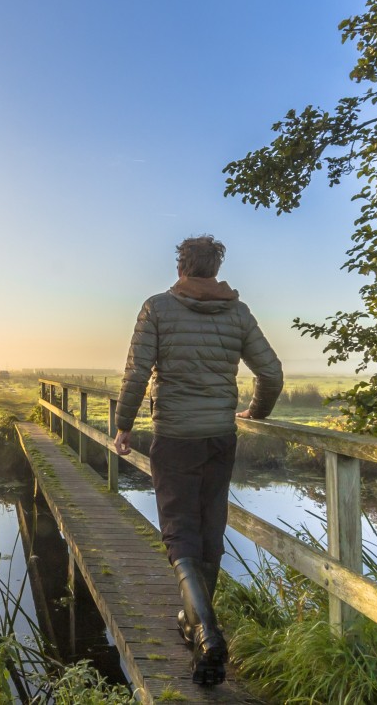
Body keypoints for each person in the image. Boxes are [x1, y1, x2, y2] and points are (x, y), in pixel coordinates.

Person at [111, 235, 284, 686]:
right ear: (214, 267)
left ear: (183, 267)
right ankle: (195, 626)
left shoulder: (157, 307)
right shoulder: (238, 312)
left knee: (180, 533)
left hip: (175, 436)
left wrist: (123, 424)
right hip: (219, 437)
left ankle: (206, 630)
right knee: (210, 531)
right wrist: (256, 413)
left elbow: (136, 371)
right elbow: (270, 372)